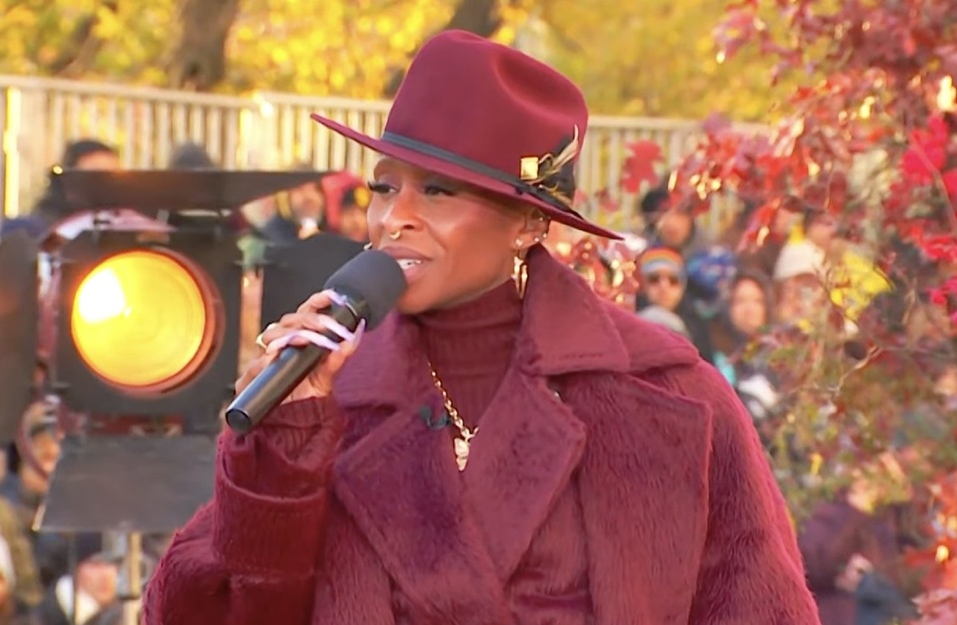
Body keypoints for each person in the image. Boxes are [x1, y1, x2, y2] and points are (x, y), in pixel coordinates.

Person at [145, 30, 817, 624]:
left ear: (528, 223)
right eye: (385, 187)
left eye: (437, 190)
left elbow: (760, 604)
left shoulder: (670, 398)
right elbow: (207, 610)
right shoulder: (323, 402)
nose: (393, 218)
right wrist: (279, 457)